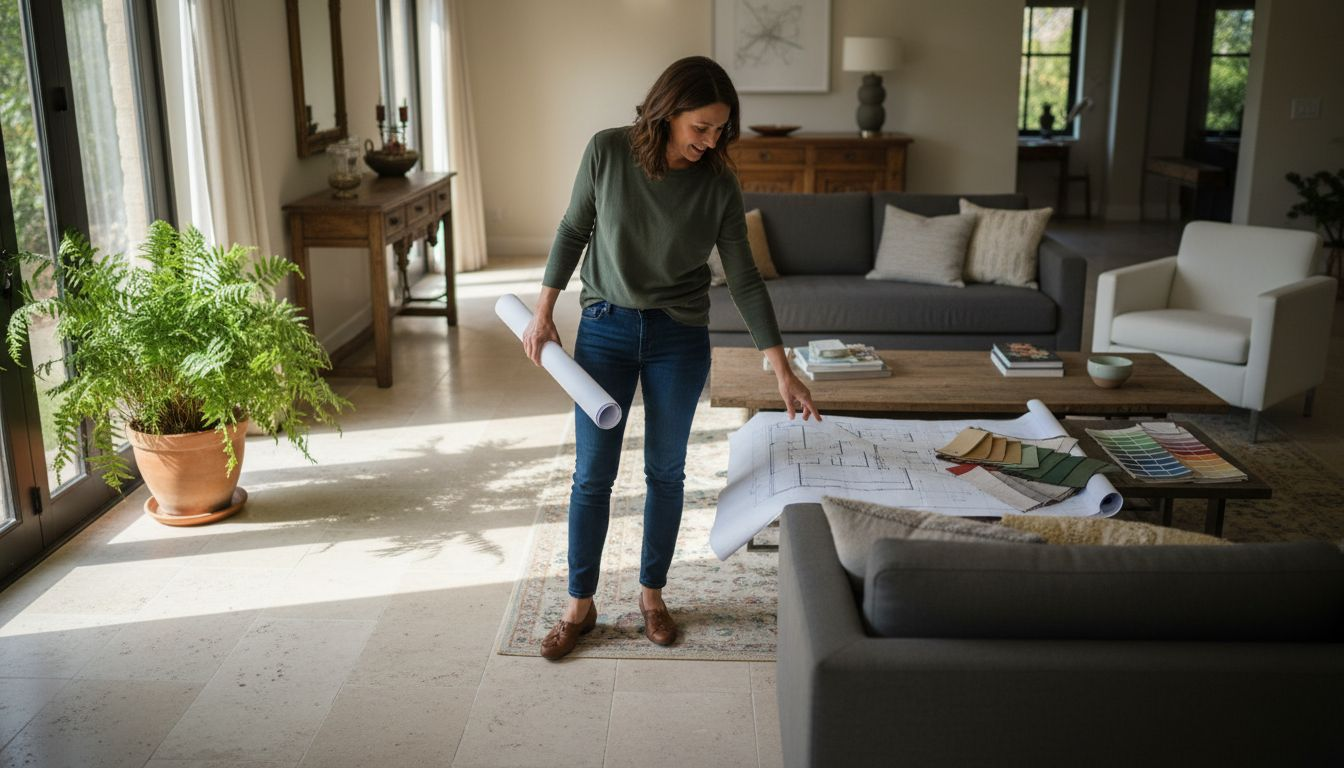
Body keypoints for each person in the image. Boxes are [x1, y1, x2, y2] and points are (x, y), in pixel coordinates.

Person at [522, 56, 821, 661]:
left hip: (678, 337)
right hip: (604, 330)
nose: (710, 141)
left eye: (720, 130)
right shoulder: (607, 151)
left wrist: (783, 369)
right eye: (700, 127)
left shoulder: (718, 183)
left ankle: (652, 596)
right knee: (592, 474)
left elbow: (745, 278)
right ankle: (579, 604)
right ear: (667, 112)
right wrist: (543, 310)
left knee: (666, 472)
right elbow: (573, 229)